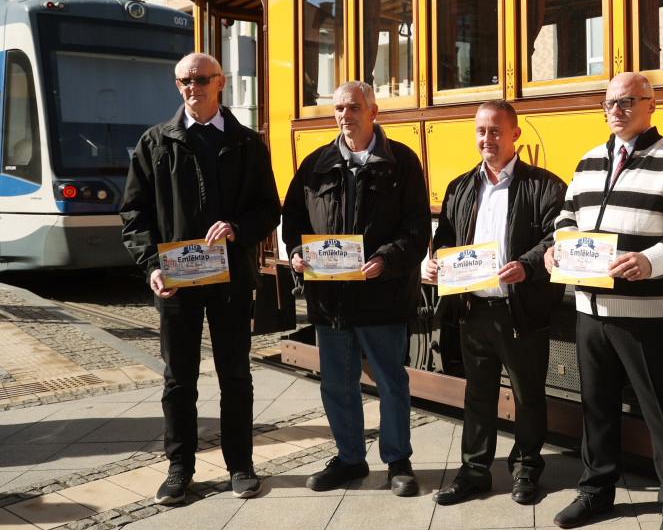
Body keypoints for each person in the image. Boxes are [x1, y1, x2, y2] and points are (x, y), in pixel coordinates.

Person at [545, 71, 663, 530]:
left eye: (629, 101)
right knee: (597, 407)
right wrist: (556, 248)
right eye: (610, 102)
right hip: (590, 307)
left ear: (652, 105)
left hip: (645, 311)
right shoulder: (589, 160)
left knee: (662, 410)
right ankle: (596, 491)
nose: (618, 109)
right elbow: (567, 216)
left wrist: (649, 261)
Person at [121, 52, 280, 505]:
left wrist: (237, 229)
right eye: (184, 81)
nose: (193, 87)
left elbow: (269, 208)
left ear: (221, 82)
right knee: (178, 379)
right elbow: (134, 214)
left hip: (231, 280)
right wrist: (152, 265)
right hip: (175, 282)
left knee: (235, 376)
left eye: (201, 79)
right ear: (178, 86)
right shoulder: (155, 142)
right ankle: (179, 468)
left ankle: (241, 465)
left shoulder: (248, 143)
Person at [281, 81, 431, 496]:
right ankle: (350, 459)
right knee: (336, 384)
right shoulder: (315, 164)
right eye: (339, 108)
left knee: (391, 382)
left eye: (353, 107)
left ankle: (398, 460)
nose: (345, 115)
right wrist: (295, 252)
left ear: (374, 112)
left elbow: (417, 230)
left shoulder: (402, 162)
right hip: (330, 299)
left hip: (381, 294)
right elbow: (292, 221)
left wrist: (386, 260)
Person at [423, 101, 566, 507]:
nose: (488, 139)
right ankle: (474, 471)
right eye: (481, 131)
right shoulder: (460, 186)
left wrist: (527, 265)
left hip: (520, 312)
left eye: (496, 131)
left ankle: (525, 469)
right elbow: (446, 240)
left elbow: (555, 238)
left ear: (515, 134)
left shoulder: (545, 185)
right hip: (474, 311)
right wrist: (435, 265)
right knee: (478, 395)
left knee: (528, 397)